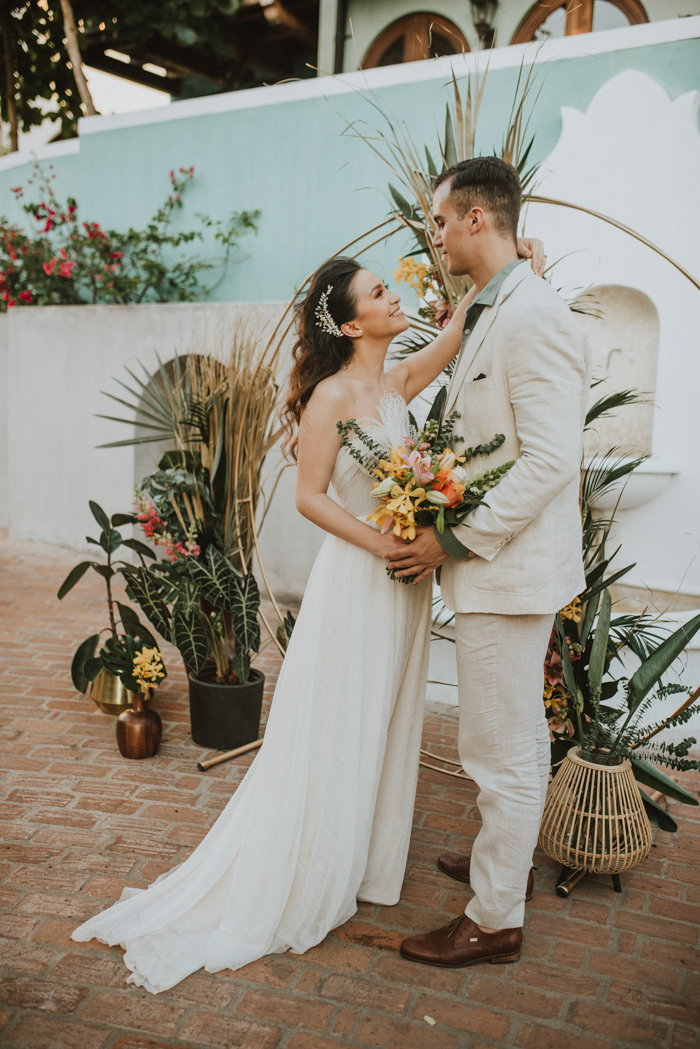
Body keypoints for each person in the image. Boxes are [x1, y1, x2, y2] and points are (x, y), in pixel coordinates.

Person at [71, 233, 544, 994]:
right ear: (352, 326)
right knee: (340, 718)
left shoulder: (395, 384)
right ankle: (314, 863)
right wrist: (386, 542)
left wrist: (519, 270)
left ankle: (362, 857)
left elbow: (459, 328)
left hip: (404, 585)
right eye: (380, 295)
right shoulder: (333, 397)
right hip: (363, 581)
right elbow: (309, 497)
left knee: (386, 717)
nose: (395, 299)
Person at [391, 157, 592, 969]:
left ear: (478, 219)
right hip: (498, 571)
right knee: (498, 738)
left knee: (500, 746)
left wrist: (454, 538)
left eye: (440, 221)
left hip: (506, 571)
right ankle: (498, 856)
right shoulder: (497, 302)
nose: (433, 236)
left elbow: (550, 460)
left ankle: (495, 914)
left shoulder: (532, 314)